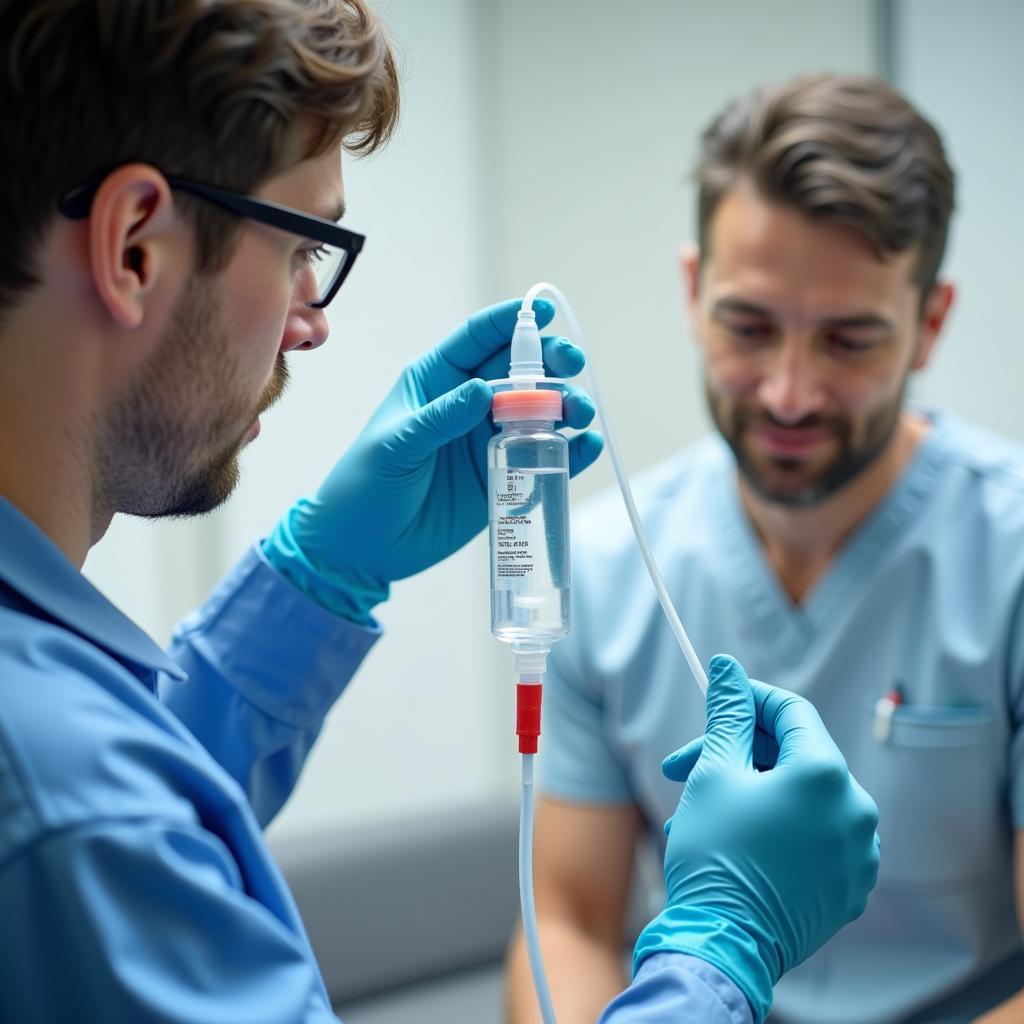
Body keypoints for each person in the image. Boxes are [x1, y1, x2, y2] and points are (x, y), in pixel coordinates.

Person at [0, 5, 878, 1022]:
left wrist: (315, 577)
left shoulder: (63, 752)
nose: (311, 322)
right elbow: (95, 813)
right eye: (300, 249)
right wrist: (725, 941)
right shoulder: (65, 799)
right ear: (136, 247)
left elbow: (137, 799)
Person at [506, 72, 1024, 1024]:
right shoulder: (608, 567)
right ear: (694, 289)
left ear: (930, 323)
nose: (788, 393)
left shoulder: (1011, 561)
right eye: (750, 327)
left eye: (848, 340)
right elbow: (567, 923)